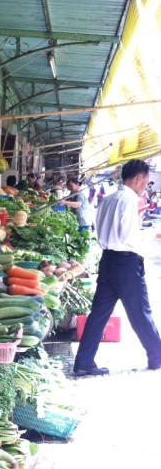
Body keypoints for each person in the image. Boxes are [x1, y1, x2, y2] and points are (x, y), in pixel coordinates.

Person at [73, 159, 161, 376]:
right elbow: (127, 237)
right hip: (126, 264)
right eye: (146, 181)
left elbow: (103, 231)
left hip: (108, 262)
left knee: (98, 315)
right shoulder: (129, 200)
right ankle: (157, 357)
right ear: (139, 178)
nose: (145, 186)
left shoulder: (109, 198)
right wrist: (152, 233)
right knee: (140, 313)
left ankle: (83, 362)